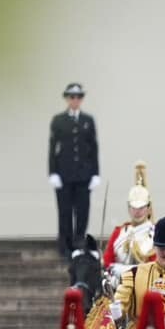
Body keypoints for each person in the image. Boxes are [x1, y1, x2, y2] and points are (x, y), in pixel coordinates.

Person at [48, 83, 100, 257]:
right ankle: (65, 245)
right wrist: (53, 172)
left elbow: (93, 148)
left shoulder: (88, 120)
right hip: (64, 174)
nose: (75, 100)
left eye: (78, 97)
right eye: (72, 97)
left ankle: (79, 243)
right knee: (65, 211)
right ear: (66, 98)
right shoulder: (59, 120)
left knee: (83, 211)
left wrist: (95, 173)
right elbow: (53, 147)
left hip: (83, 174)